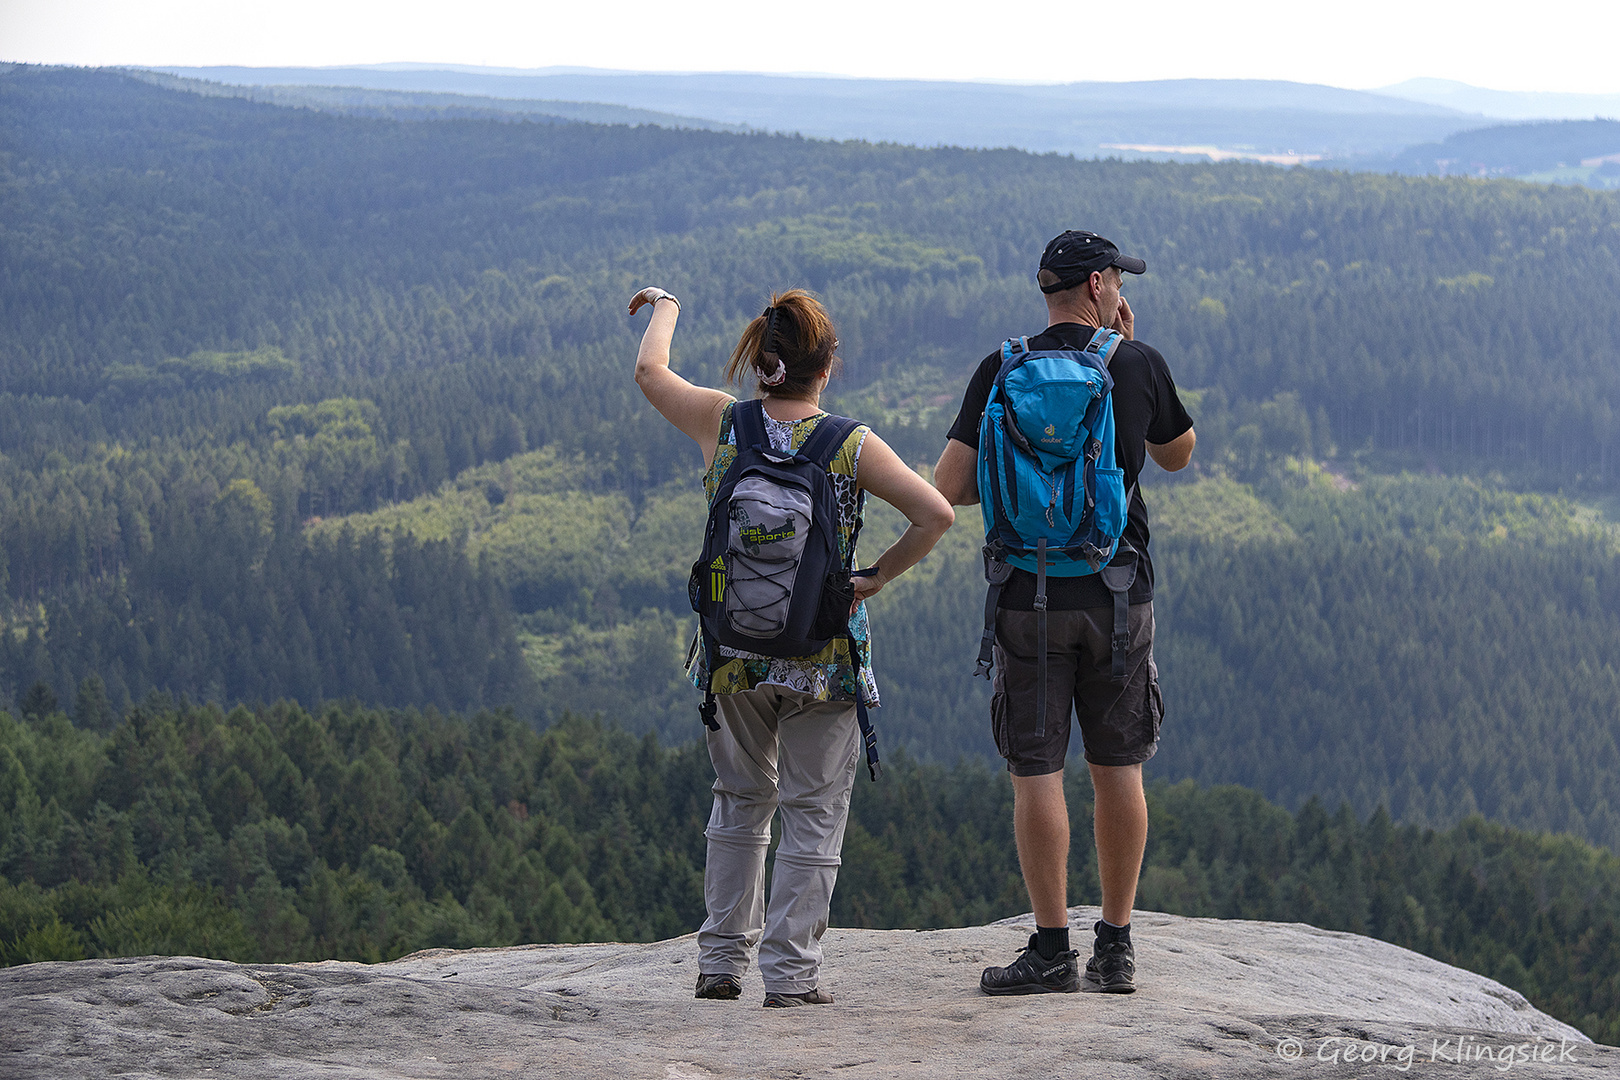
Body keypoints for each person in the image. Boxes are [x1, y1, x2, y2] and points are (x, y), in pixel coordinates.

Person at [629, 285, 954, 1007]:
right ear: (825, 366)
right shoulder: (849, 444)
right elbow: (934, 514)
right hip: (825, 656)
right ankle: (790, 976)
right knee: (812, 812)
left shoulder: (725, 423)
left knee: (740, 800)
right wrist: (873, 577)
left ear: (760, 357)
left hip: (732, 655)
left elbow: (652, 375)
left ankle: (720, 965)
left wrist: (669, 309)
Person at [932, 231, 1195, 995]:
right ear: (1101, 285)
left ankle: (1050, 950)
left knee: (1036, 772)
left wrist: (1025, 486)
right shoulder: (1136, 364)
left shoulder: (1002, 367)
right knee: (1119, 770)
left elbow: (950, 486)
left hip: (1026, 595)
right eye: (1118, 281)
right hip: (1119, 594)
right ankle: (1115, 948)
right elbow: (1177, 456)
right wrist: (1127, 353)